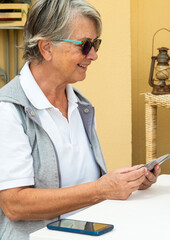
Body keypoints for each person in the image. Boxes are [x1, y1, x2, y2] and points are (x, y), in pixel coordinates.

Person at [0, 1, 160, 239]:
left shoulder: (81, 105)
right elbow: (14, 204)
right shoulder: (8, 110)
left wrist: (127, 183)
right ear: (46, 48)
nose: (93, 55)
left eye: (95, 44)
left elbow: (88, 186)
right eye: (85, 45)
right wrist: (101, 189)